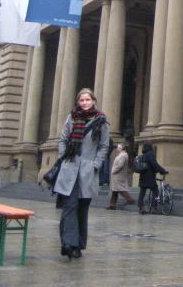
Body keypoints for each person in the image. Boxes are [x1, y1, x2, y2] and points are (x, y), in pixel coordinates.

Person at [54, 87, 109, 259]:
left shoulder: (101, 121)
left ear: (93, 101)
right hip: (70, 167)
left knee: (82, 209)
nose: (84, 103)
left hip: (87, 170)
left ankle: (78, 245)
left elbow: (104, 146)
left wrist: (95, 165)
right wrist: (63, 158)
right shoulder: (72, 117)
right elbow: (63, 139)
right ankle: (68, 243)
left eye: (87, 99)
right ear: (78, 102)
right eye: (82, 100)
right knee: (69, 205)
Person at [137, 141, 168, 214]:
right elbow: (155, 165)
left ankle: (141, 208)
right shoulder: (150, 154)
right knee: (155, 190)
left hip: (143, 176)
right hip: (149, 176)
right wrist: (162, 171)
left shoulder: (143, 155)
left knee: (142, 191)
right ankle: (154, 208)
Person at [107, 143, 135, 210]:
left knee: (121, 189)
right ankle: (112, 205)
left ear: (121, 148)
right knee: (115, 190)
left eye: (118, 147)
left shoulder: (123, 156)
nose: (117, 149)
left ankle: (130, 199)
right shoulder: (121, 155)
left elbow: (120, 165)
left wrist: (113, 171)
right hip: (117, 175)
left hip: (119, 175)